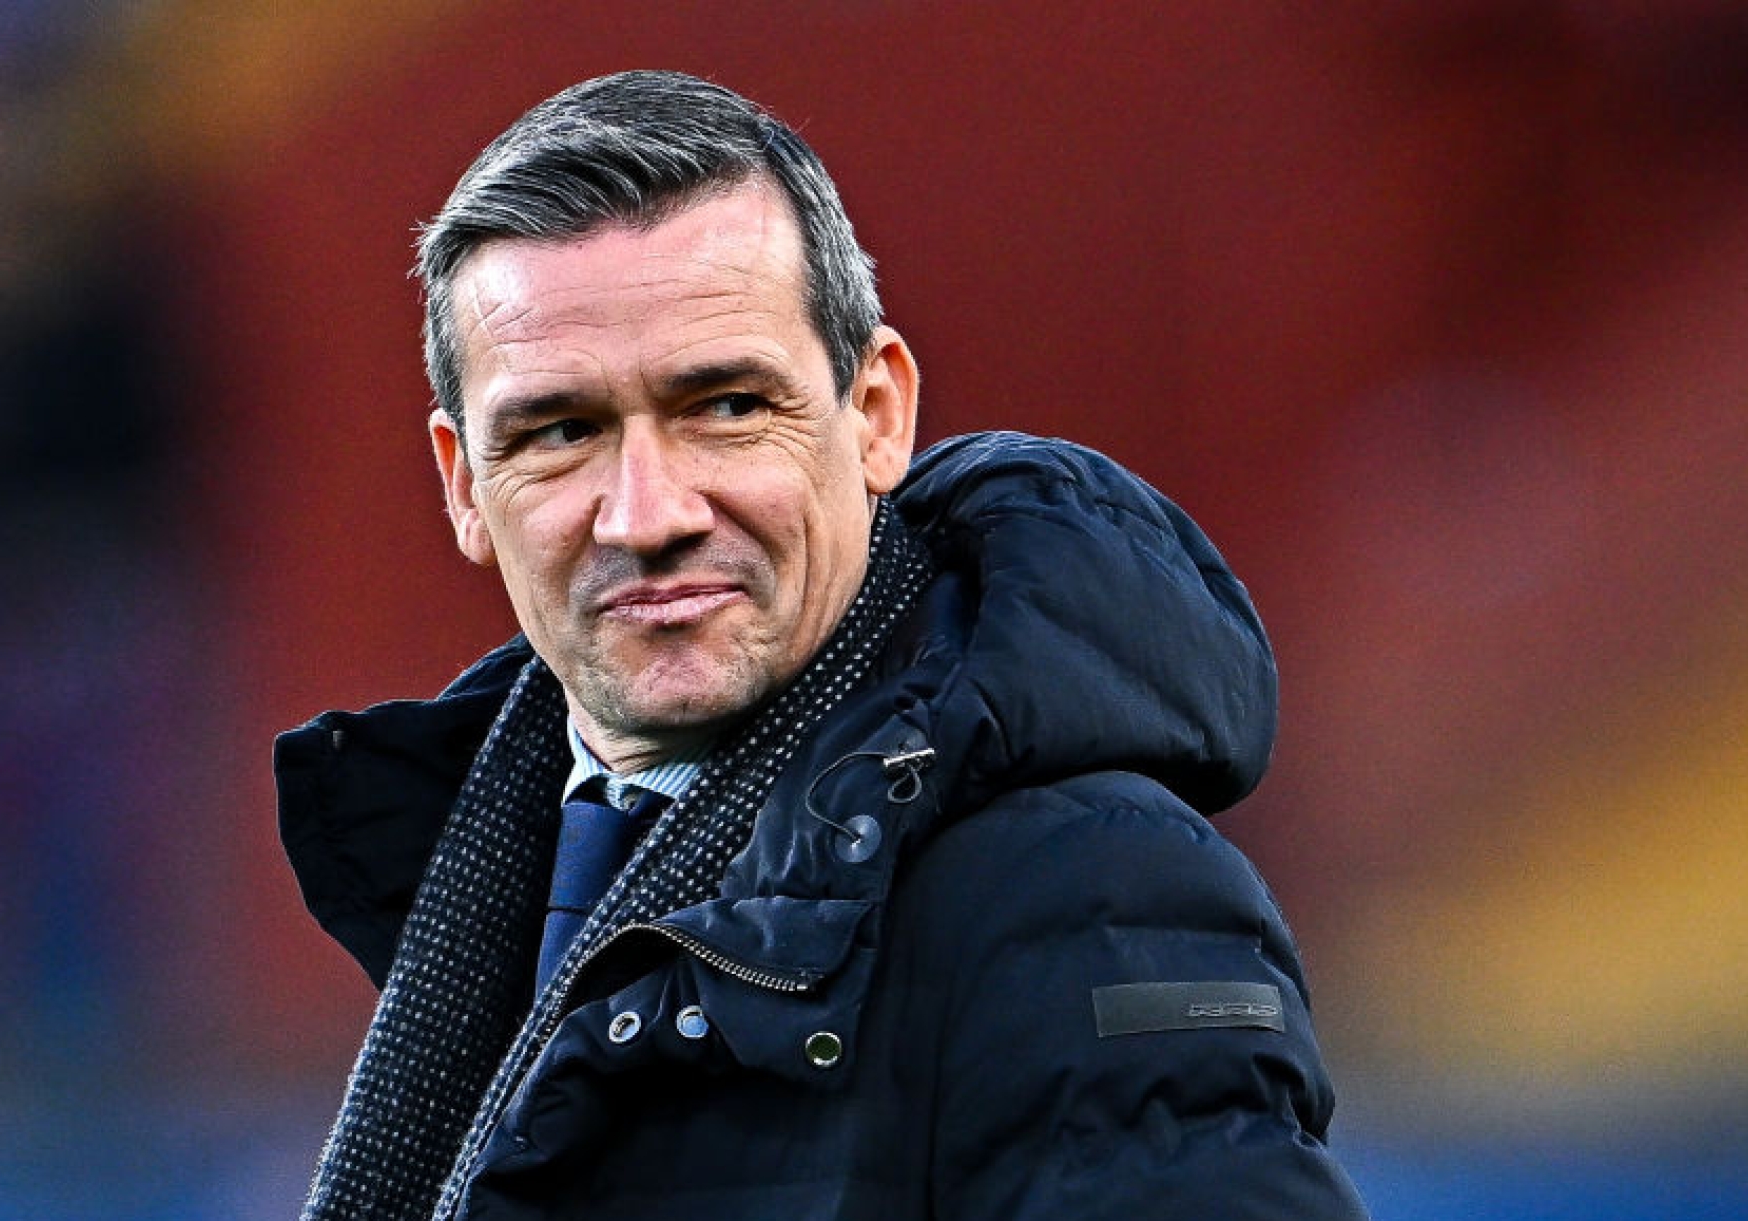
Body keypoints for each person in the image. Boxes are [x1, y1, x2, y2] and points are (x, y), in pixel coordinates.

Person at [275, 70, 1369, 1221]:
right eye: (560, 431)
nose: (646, 515)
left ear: (877, 416)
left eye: (727, 407)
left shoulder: (1086, 897)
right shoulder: (489, 884)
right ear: (462, 485)